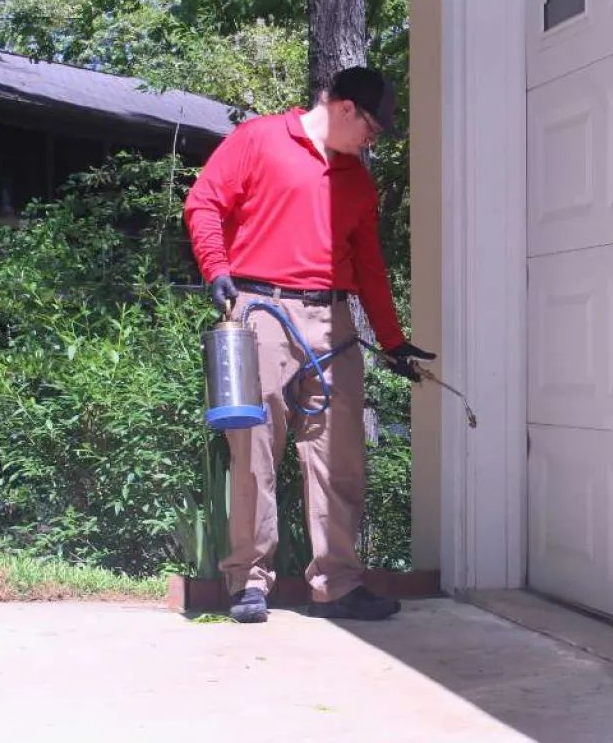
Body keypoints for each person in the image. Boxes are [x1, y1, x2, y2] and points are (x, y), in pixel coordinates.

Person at [183, 66, 435, 623]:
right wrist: (215, 268)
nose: (373, 140)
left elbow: (369, 266)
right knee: (254, 452)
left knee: (338, 458)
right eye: (372, 127)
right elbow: (203, 203)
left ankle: (338, 587)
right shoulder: (259, 138)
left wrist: (392, 341)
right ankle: (248, 583)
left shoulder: (356, 181)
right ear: (344, 108)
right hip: (260, 309)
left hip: (334, 319)